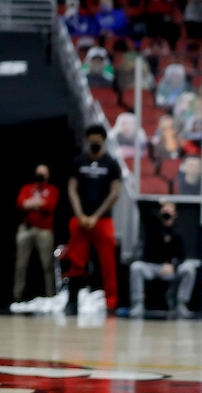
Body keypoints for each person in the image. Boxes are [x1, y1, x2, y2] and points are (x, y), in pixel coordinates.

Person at [65, 124, 121, 315]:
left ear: (104, 140)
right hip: (80, 219)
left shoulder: (111, 164)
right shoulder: (78, 161)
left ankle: (111, 303)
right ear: (87, 140)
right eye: (92, 138)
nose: (95, 141)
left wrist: (96, 216)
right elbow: (72, 188)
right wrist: (80, 214)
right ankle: (71, 301)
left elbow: (115, 193)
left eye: (98, 138)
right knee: (76, 261)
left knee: (107, 263)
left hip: (102, 220)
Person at [129, 201, 198, 318]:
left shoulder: (178, 232)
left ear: (175, 213)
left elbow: (182, 256)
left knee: (189, 269)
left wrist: (173, 266)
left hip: (169, 269)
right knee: (136, 267)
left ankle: (182, 304)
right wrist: (158, 203)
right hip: (151, 267)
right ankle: (138, 304)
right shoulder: (152, 226)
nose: (167, 212)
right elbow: (143, 208)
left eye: (170, 209)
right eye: (164, 209)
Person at [13, 164, 58, 302]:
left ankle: (51, 297)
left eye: (43, 173)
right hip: (26, 229)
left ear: (48, 176)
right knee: (21, 264)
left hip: (44, 230)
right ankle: (17, 296)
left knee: (47, 265)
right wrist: (38, 203)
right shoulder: (27, 188)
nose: (40, 176)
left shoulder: (52, 190)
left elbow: (49, 205)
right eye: (38, 173)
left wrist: (31, 203)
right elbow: (21, 203)